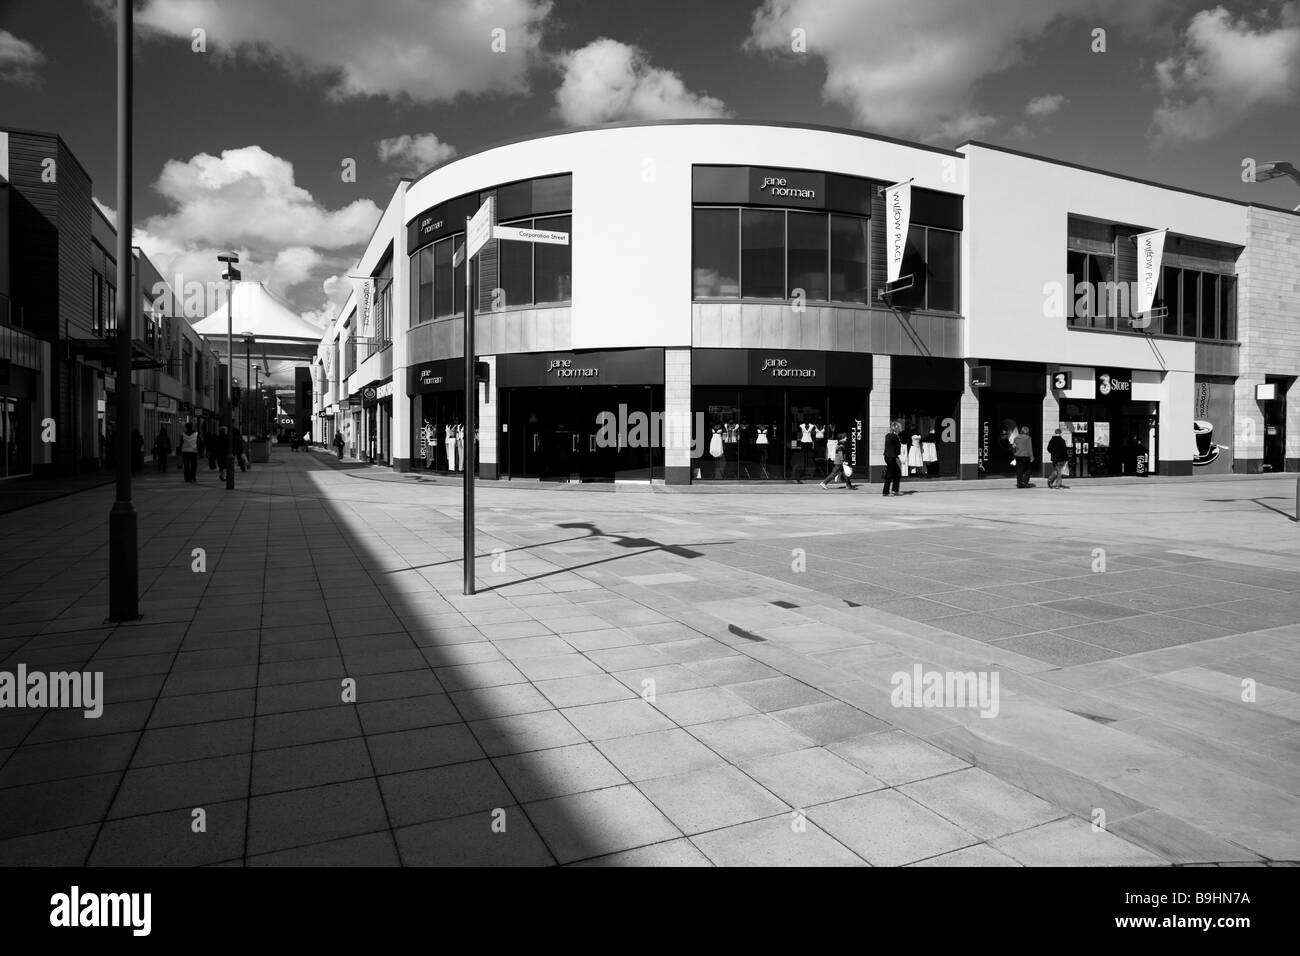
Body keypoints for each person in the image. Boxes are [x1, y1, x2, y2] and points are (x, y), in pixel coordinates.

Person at [882, 421, 902, 496]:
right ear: (895, 428)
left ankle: (895, 490)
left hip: (891, 456)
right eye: (899, 428)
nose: (900, 429)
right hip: (890, 457)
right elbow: (895, 446)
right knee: (889, 474)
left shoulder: (890, 435)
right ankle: (885, 492)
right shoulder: (892, 436)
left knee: (897, 473)